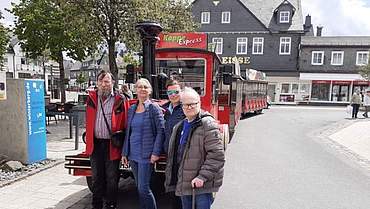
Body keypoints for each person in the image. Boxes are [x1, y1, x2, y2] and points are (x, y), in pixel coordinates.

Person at [164, 87, 225, 209]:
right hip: (184, 182)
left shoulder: (208, 124)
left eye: (193, 104)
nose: (189, 107)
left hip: (201, 184)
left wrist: (202, 176)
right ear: (181, 106)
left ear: (199, 103)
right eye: (186, 105)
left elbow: (217, 156)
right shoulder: (180, 126)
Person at [85, 70, 128, 209]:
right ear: (97, 83)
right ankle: (96, 205)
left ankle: (111, 205)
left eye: (107, 81)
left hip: (112, 144)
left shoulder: (120, 100)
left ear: (112, 83)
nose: (104, 84)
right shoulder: (91, 98)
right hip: (95, 144)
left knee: (112, 179)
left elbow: (126, 122)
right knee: (96, 178)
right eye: (101, 81)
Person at [121, 78, 165, 209]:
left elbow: (160, 132)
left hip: (146, 155)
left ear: (150, 90)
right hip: (133, 155)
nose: (142, 89)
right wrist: (125, 152)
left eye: (145, 87)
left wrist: (156, 153)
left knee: (143, 188)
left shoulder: (154, 108)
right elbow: (128, 132)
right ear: (135, 90)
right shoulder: (132, 109)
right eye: (139, 87)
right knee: (139, 187)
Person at [162, 79, 185, 209]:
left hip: (182, 153)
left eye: (176, 91)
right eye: (170, 92)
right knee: (171, 186)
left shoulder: (186, 108)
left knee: (181, 187)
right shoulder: (164, 109)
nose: (173, 95)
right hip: (168, 153)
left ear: (181, 92)